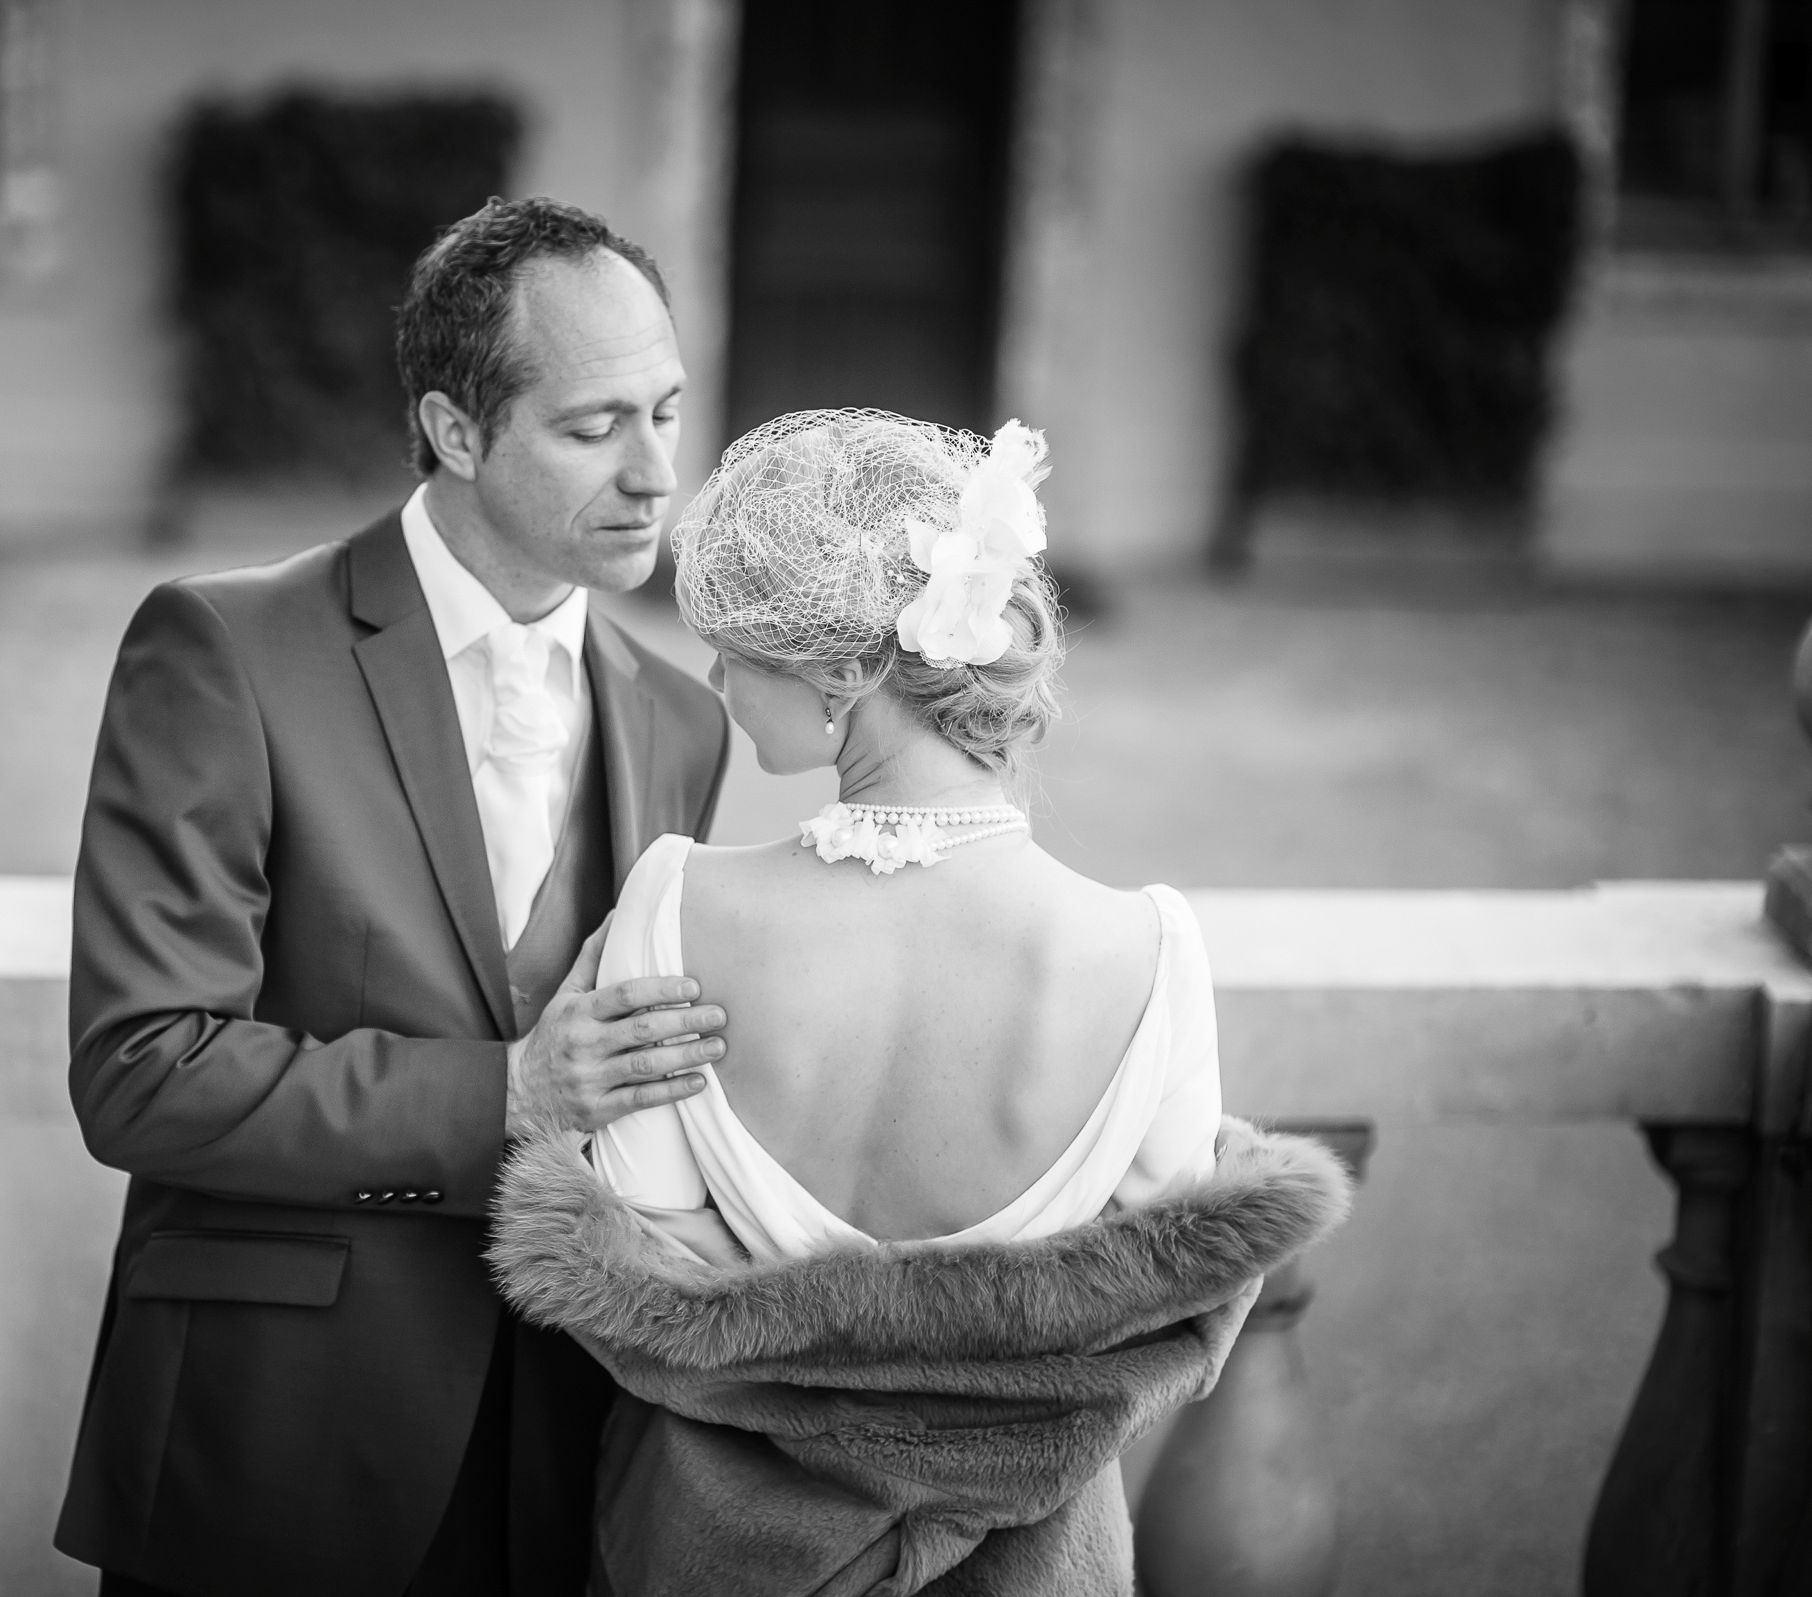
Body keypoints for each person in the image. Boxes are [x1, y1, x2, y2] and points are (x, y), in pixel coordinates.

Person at [485, 410, 1353, 1595]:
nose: (717, 678)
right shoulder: (1148, 948)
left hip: (718, 1553)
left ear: (848, 669)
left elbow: (648, 1264)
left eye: (741, 648)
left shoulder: (675, 904)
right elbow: (1164, 1310)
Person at [52, 197, 732, 1597]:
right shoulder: (225, 649)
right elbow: (140, 1071)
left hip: (569, 1460)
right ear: (457, 430)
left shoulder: (682, 721)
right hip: (275, 1448)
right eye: (595, 425)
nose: (656, 472)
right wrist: (504, 1094)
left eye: (667, 411)